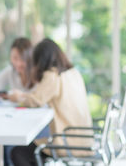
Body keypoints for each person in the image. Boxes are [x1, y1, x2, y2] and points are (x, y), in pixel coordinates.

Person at [7, 38, 93, 166]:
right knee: (31, 151)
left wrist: (17, 97)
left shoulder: (53, 75)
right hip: (84, 139)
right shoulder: (73, 73)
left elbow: (35, 101)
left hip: (67, 141)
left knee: (18, 152)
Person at [0, 37, 34, 166]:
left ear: (29, 58)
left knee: (14, 148)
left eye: (21, 59)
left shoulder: (37, 73)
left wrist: (20, 97)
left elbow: (38, 100)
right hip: (17, 119)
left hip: (34, 121)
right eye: (14, 58)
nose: (17, 63)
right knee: (6, 141)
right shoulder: (10, 72)